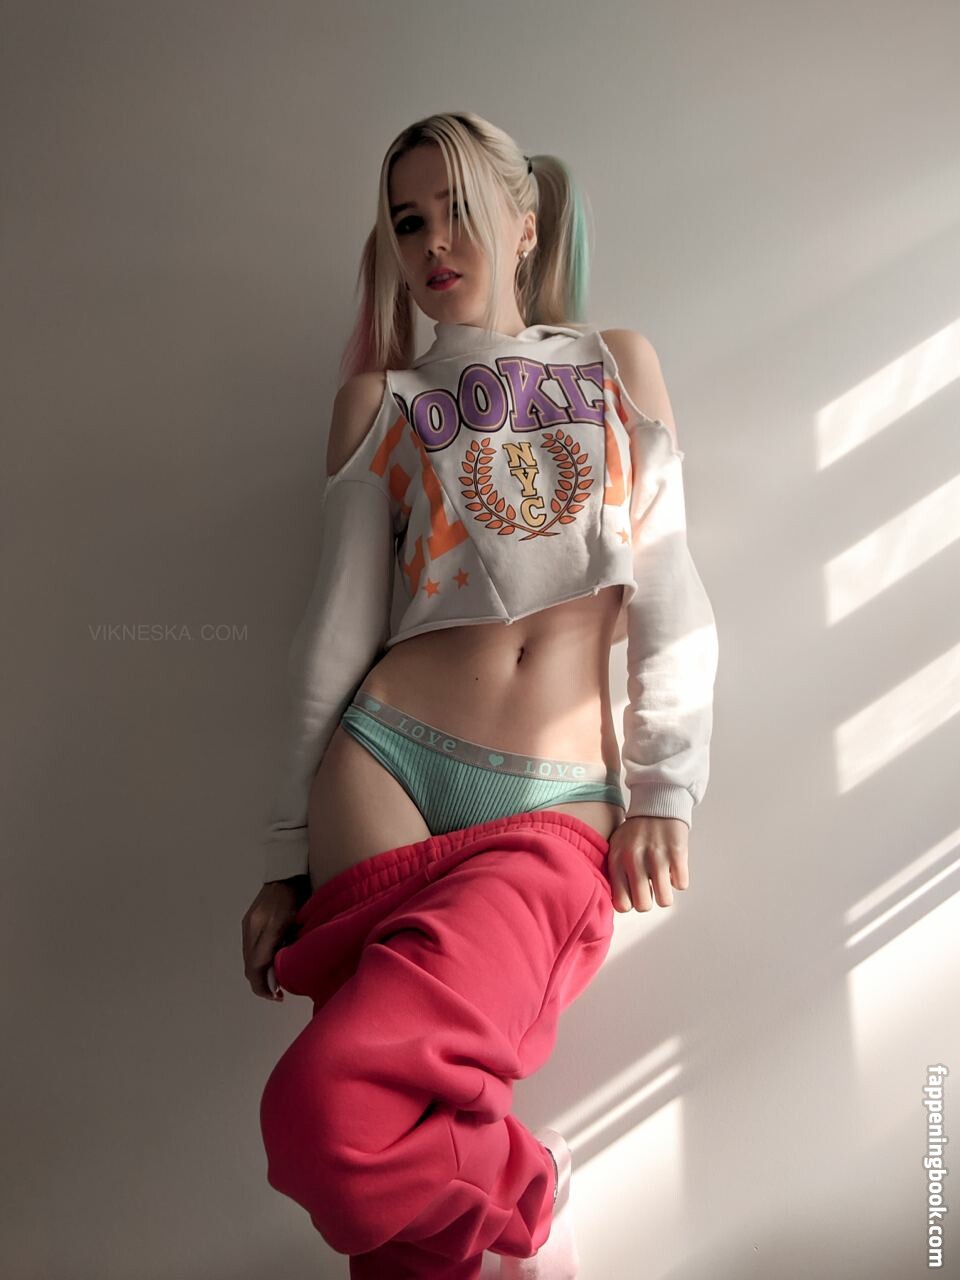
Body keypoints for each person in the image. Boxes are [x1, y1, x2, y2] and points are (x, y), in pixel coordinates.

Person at [242, 110, 719, 1279]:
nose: (433, 242)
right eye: (408, 222)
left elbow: (670, 588)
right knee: (386, 1157)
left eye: (456, 207)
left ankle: (526, 1188)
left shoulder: (615, 364)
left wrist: (668, 784)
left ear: (527, 221)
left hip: (555, 803)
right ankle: (518, 1199)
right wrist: (285, 855)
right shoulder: (381, 400)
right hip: (383, 770)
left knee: (333, 1119)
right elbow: (332, 634)